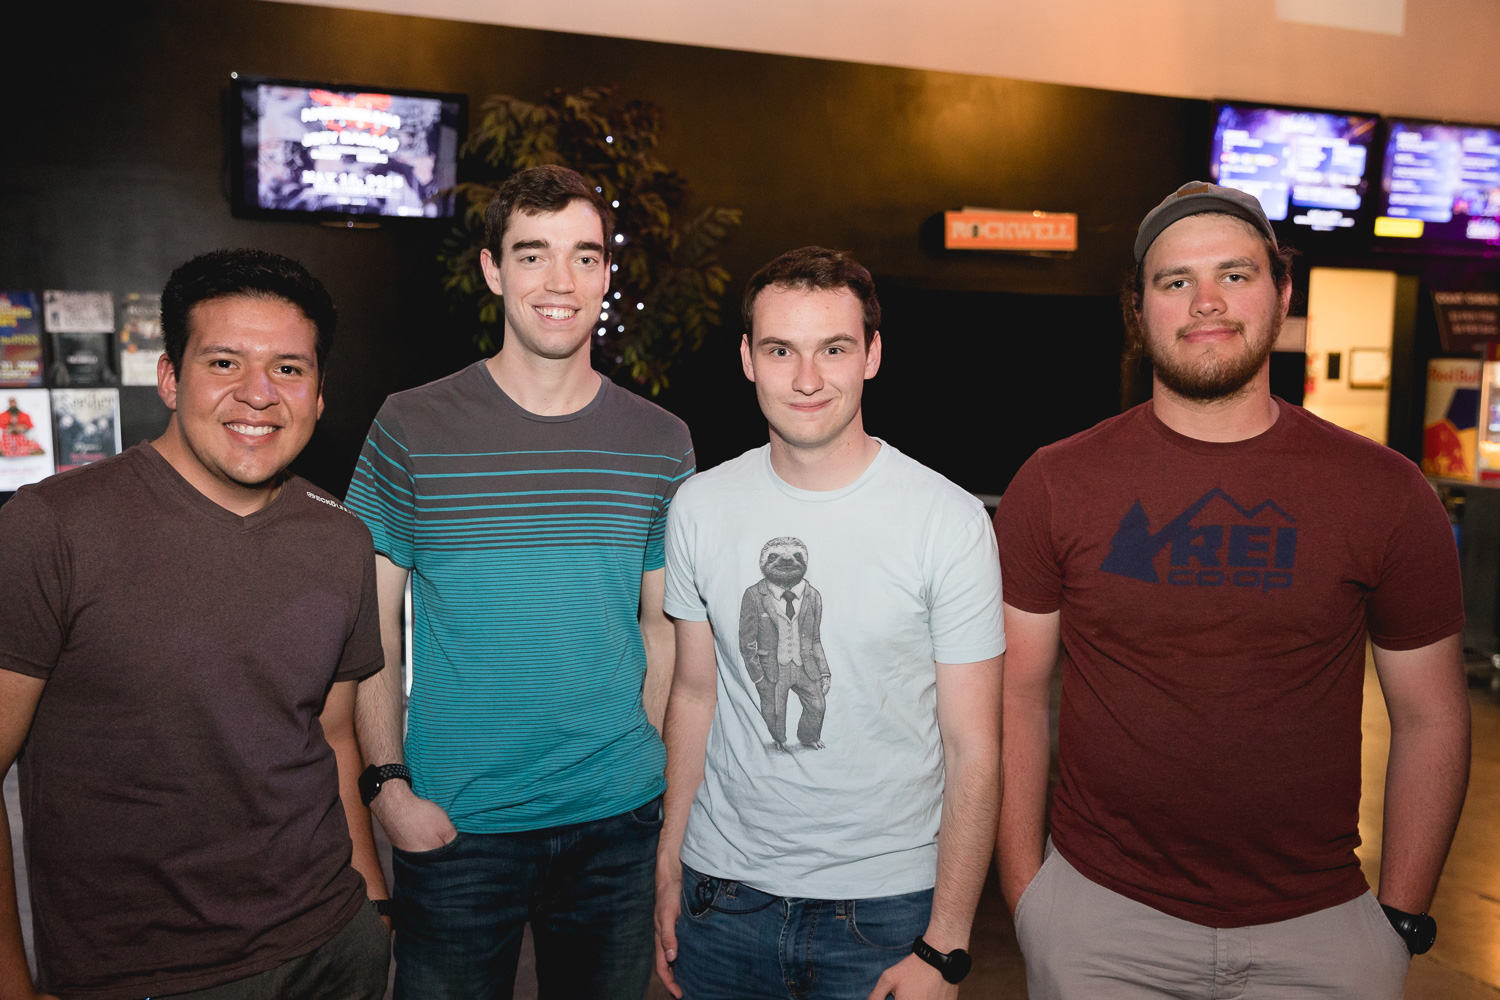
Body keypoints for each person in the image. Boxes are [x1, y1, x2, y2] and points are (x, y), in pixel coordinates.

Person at [993, 181, 1471, 999]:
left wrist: (1399, 921)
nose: (1205, 302)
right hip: (1100, 922)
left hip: (1323, 929)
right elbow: (1016, 697)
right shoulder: (1056, 483)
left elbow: (1433, 715)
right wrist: (1028, 896)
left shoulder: (1385, 492)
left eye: (1235, 275)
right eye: (1175, 281)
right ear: (1138, 312)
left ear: (1283, 294)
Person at [0, 249, 391, 1000]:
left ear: (317, 395)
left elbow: (335, 737)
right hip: (144, 975)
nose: (258, 394)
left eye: (287, 368)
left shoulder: (341, 537)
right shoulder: (51, 528)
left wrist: (373, 903)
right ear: (171, 379)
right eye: (224, 362)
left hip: (333, 948)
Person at [346, 164, 694, 999]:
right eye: (533, 254)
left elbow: (663, 626)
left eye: (584, 256)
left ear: (606, 275)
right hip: (457, 829)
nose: (560, 281)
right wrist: (387, 789)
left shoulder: (660, 439)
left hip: (617, 828)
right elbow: (370, 622)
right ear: (494, 270)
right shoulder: (411, 423)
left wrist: (653, 786)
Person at [654, 246, 1004, 1000]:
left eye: (834, 349)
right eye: (781, 350)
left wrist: (947, 941)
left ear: (872, 355)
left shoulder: (947, 521)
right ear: (747, 359)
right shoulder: (699, 507)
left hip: (886, 911)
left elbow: (974, 744)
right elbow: (693, 694)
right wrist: (668, 862)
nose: (806, 379)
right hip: (720, 898)